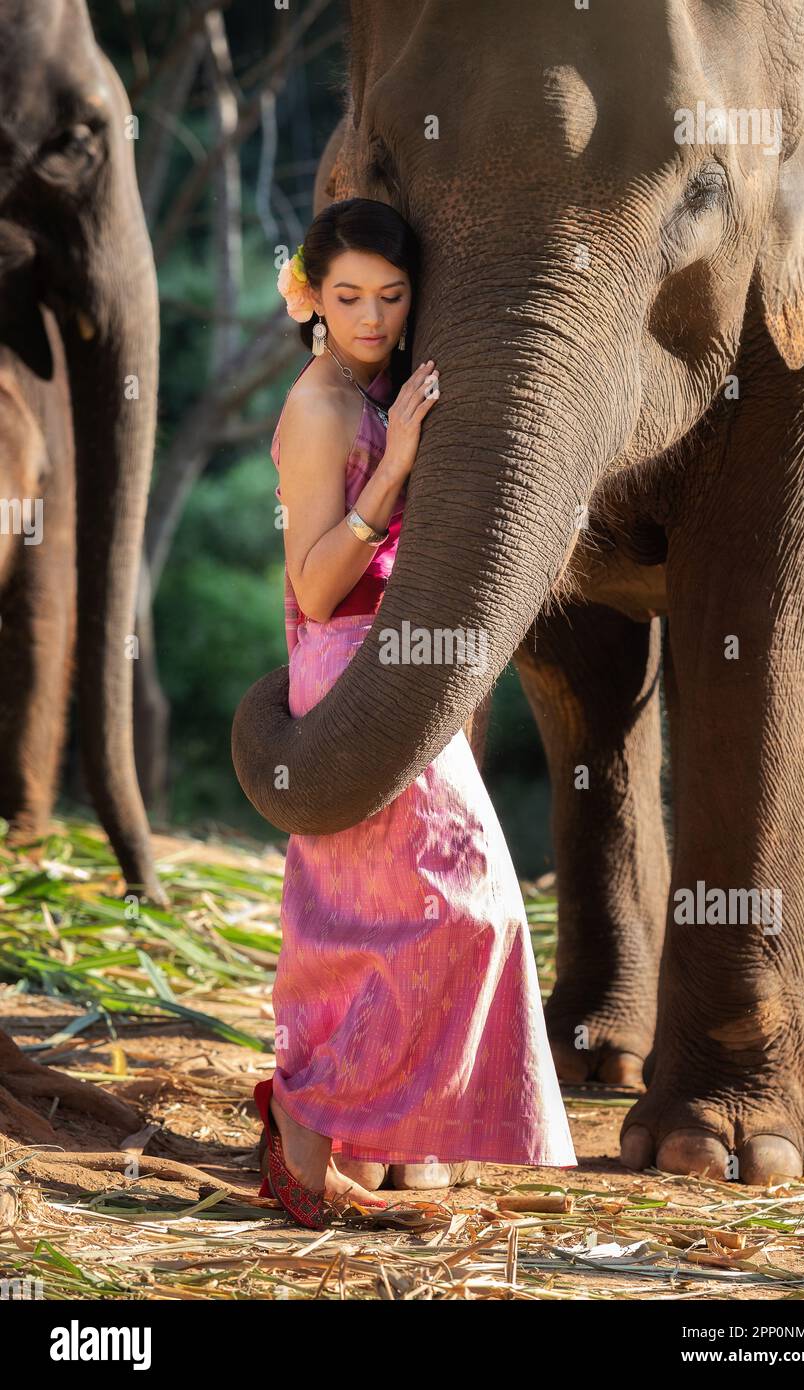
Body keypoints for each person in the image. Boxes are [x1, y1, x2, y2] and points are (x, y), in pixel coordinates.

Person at [254, 197, 578, 1230]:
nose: (369, 317)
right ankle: (309, 1128)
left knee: (370, 917)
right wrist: (391, 470)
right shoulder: (319, 411)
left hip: (386, 664)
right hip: (349, 667)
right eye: (346, 296)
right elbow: (310, 585)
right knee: (470, 899)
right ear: (308, 294)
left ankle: (309, 1152)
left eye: (390, 299)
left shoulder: (375, 387)